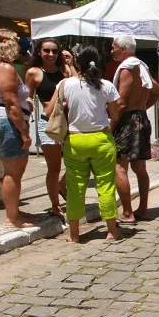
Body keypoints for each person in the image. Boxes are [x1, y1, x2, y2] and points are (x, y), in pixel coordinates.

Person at [60, 45, 122, 243]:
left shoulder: (65, 85)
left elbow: (52, 109)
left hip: (75, 139)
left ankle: (74, 234)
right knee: (106, 185)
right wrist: (109, 126)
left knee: (75, 186)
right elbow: (115, 111)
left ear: (77, 62)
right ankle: (111, 231)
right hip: (101, 138)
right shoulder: (106, 85)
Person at [111, 35, 159, 224]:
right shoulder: (142, 66)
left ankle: (127, 213)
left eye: (114, 47)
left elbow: (122, 102)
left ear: (123, 48)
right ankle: (143, 209)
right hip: (141, 118)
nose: (111, 50)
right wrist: (143, 107)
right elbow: (158, 91)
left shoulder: (128, 69)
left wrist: (111, 125)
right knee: (140, 168)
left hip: (128, 120)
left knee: (119, 167)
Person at [0, 29, 35, 228]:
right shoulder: (5, 69)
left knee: (11, 170)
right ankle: (12, 217)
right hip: (7, 122)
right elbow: (11, 104)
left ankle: (13, 210)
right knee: (13, 172)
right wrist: (24, 133)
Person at [25, 38, 70, 219]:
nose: (51, 54)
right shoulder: (33, 72)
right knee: (54, 166)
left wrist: (70, 63)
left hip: (67, 119)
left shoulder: (64, 71)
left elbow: (76, 82)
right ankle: (55, 205)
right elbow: (27, 95)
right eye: (46, 50)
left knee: (79, 161)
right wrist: (29, 104)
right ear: (39, 52)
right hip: (47, 121)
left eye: (54, 51)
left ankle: (62, 185)